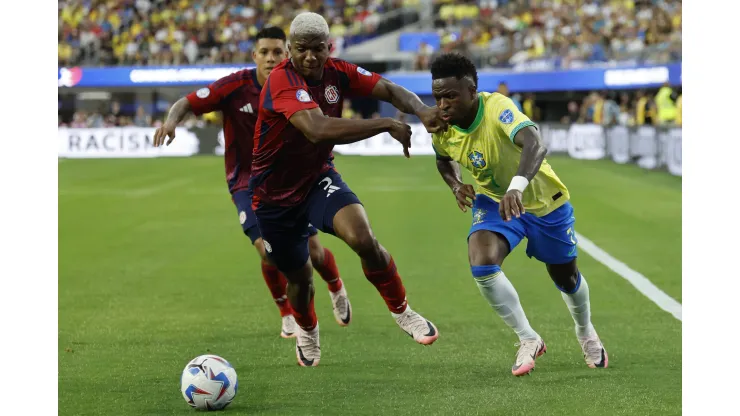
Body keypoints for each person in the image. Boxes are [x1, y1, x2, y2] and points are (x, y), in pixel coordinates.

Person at [251, 12, 448, 367]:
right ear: (289, 50)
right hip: (273, 196)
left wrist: (421, 110)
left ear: (330, 47)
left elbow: (387, 88)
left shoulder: (338, 71)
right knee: (300, 277)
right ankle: (308, 329)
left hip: (316, 179)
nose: (310, 57)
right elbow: (317, 129)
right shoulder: (282, 80)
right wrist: (386, 122)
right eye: (301, 50)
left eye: (317, 49)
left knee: (362, 237)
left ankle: (403, 311)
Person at [152, 27, 351, 340]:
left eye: (276, 52)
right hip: (246, 183)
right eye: (264, 53)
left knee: (314, 250)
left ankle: (336, 286)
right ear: (254, 56)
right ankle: (287, 313)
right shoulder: (235, 86)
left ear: (286, 53)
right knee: (269, 252)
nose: (271, 58)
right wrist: (171, 121)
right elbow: (188, 101)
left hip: (292, 180)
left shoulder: (298, 84)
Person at [429, 52, 608, 376]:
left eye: (450, 96)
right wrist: (455, 184)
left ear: (472, 91)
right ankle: (528, 338)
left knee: (565, 276)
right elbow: (443, 158)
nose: (442, 105)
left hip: (542, 201)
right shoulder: (442, 127)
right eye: (438, 97)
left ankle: (585, 331)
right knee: (482, 263)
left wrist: (516, 187)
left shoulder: (498, 107)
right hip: (495, 202)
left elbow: (535, 143)